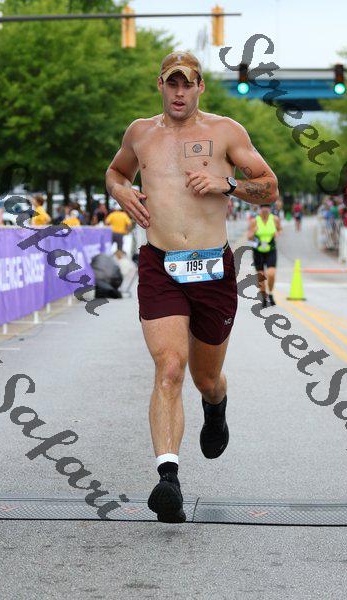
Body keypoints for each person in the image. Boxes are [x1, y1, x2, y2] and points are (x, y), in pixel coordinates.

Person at [105, 51, 278, 523]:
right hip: (159, 263)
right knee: (169, 367)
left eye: (188, 83)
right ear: (160, 84)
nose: (179, 92)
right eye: (171, 83)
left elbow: (269, 186)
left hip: (211, 269)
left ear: (201, 86)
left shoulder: (227, 131)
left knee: (205, 378)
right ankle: (168, 478)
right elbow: (116, 172)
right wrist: (120, 189)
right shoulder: (140, 133)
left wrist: (227, 184)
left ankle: (215, 406)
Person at [247, 203, 282, 308]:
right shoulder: (254, 221)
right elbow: (249, 237)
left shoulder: (275, 219)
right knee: (261, 276)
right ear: (260, 209)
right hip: (258, 251)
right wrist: (253, 232)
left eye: (267, 207)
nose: (265, 209)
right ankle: (264, 296)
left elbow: (279, 229)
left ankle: (270, 293)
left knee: (271, 273)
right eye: (263, 207)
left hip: (271, 249)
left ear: (270, 209)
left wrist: (277, 233)